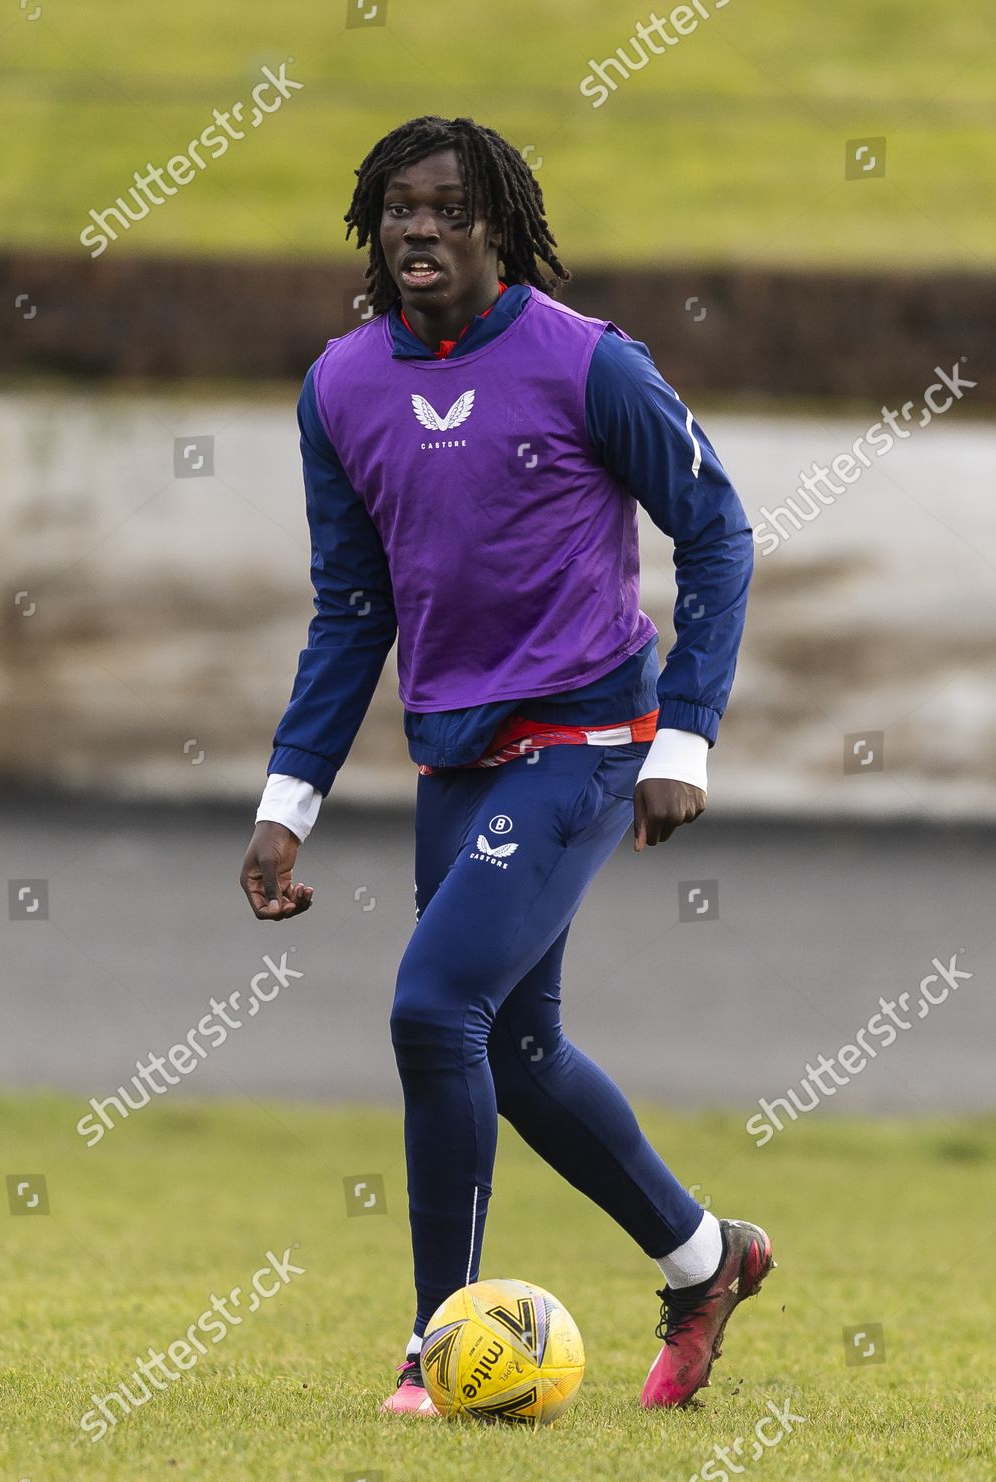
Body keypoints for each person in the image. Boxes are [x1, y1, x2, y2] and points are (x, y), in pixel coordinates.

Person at [238, 115, 770, 1414]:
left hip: (586, 740)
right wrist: (286, 799)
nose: (419, 229)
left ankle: (434, 1345)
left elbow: (717, 533)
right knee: (516, 1051)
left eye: (447, 209)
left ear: (499, 231)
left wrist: (681, 735)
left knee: (432, 1011)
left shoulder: (590, 366)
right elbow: (349, 605)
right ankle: (709, 1261)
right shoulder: (341, 385)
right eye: (398, 210)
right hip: (455, 758)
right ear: (373, 228)